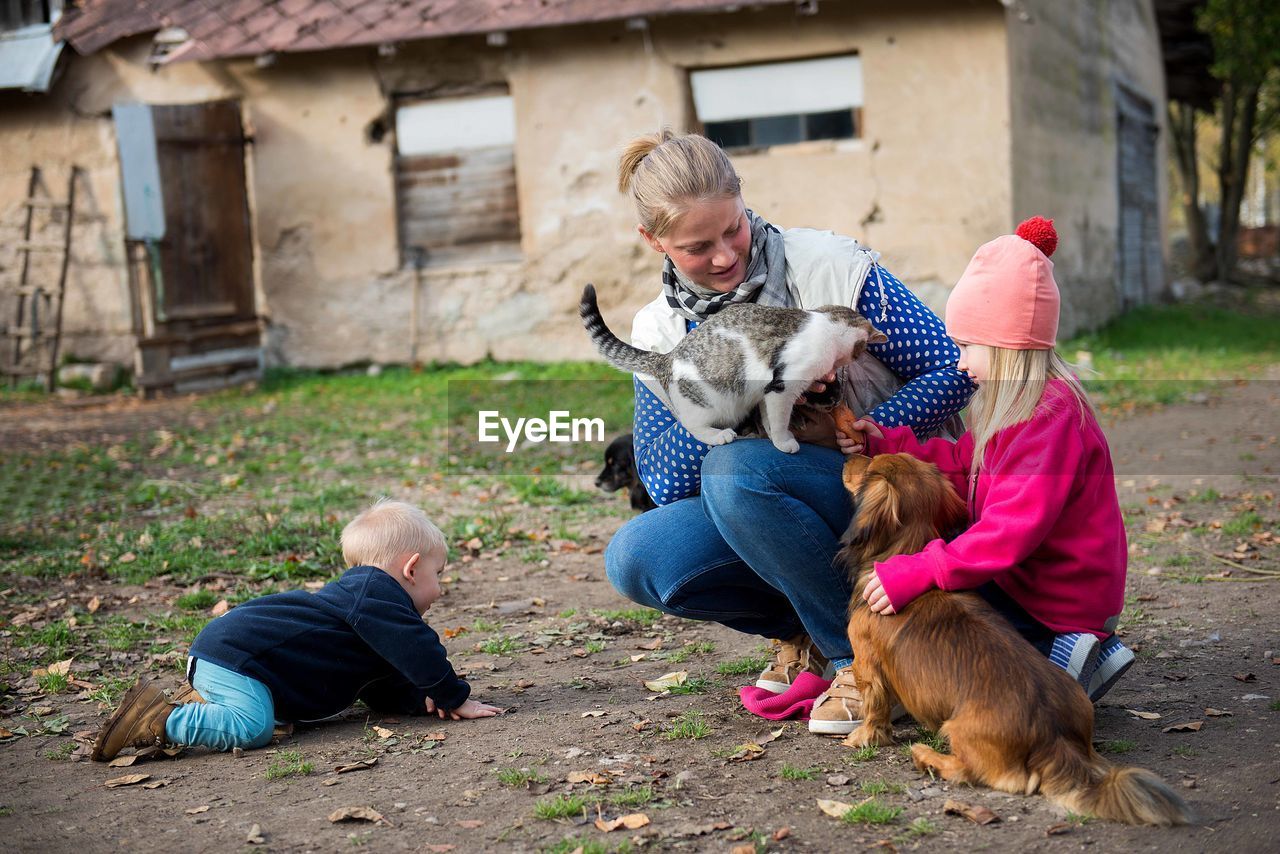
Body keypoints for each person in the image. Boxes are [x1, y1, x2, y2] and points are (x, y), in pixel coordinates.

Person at [603, 129, 974, 736]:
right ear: (653, 241)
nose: (725, 256)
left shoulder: (829, 268)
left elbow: (952, 369)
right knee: (640, 555)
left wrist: (869, 430)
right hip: (769, 504)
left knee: (737, 471)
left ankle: (869, 665)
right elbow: (665, 478)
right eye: (699, 246)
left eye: (734, 229)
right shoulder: (659, 330)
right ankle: (809, 627)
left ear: (744, 201)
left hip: (887, 489)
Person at [847, 216, 1135, 702]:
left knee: (978, 644)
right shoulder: (1018, 403)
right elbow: (965, 463)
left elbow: (1008, 531)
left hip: (1056, 597)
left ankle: (1070, 655)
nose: (958, 362)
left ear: (1007, 346)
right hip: (1030, 581)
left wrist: (922, 568)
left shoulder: (1047, 417)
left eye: (965, 346)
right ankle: (1074, 652)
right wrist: (892, 446)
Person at [92, 499, 501, 761]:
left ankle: (204, 699)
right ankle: (162, 719)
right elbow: (416, 647)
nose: (441, 588)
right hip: (237, 656)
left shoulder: (366, 612)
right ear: (411, 569)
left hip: (238, 660)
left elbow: (380, 683)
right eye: (438, 573)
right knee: (252, 728)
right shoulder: (375, 594)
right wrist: (454, 695)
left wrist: (422, 698)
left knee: (263, 719)